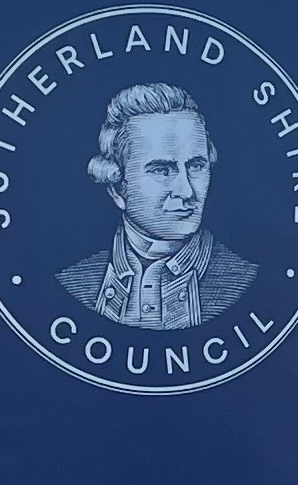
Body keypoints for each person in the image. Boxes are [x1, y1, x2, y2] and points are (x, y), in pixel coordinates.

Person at [60, 82, 258, 328]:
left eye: (196, 166)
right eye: (162, 170)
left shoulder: (244, 283)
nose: (186, 191)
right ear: (117, 187)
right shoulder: (75, 284)